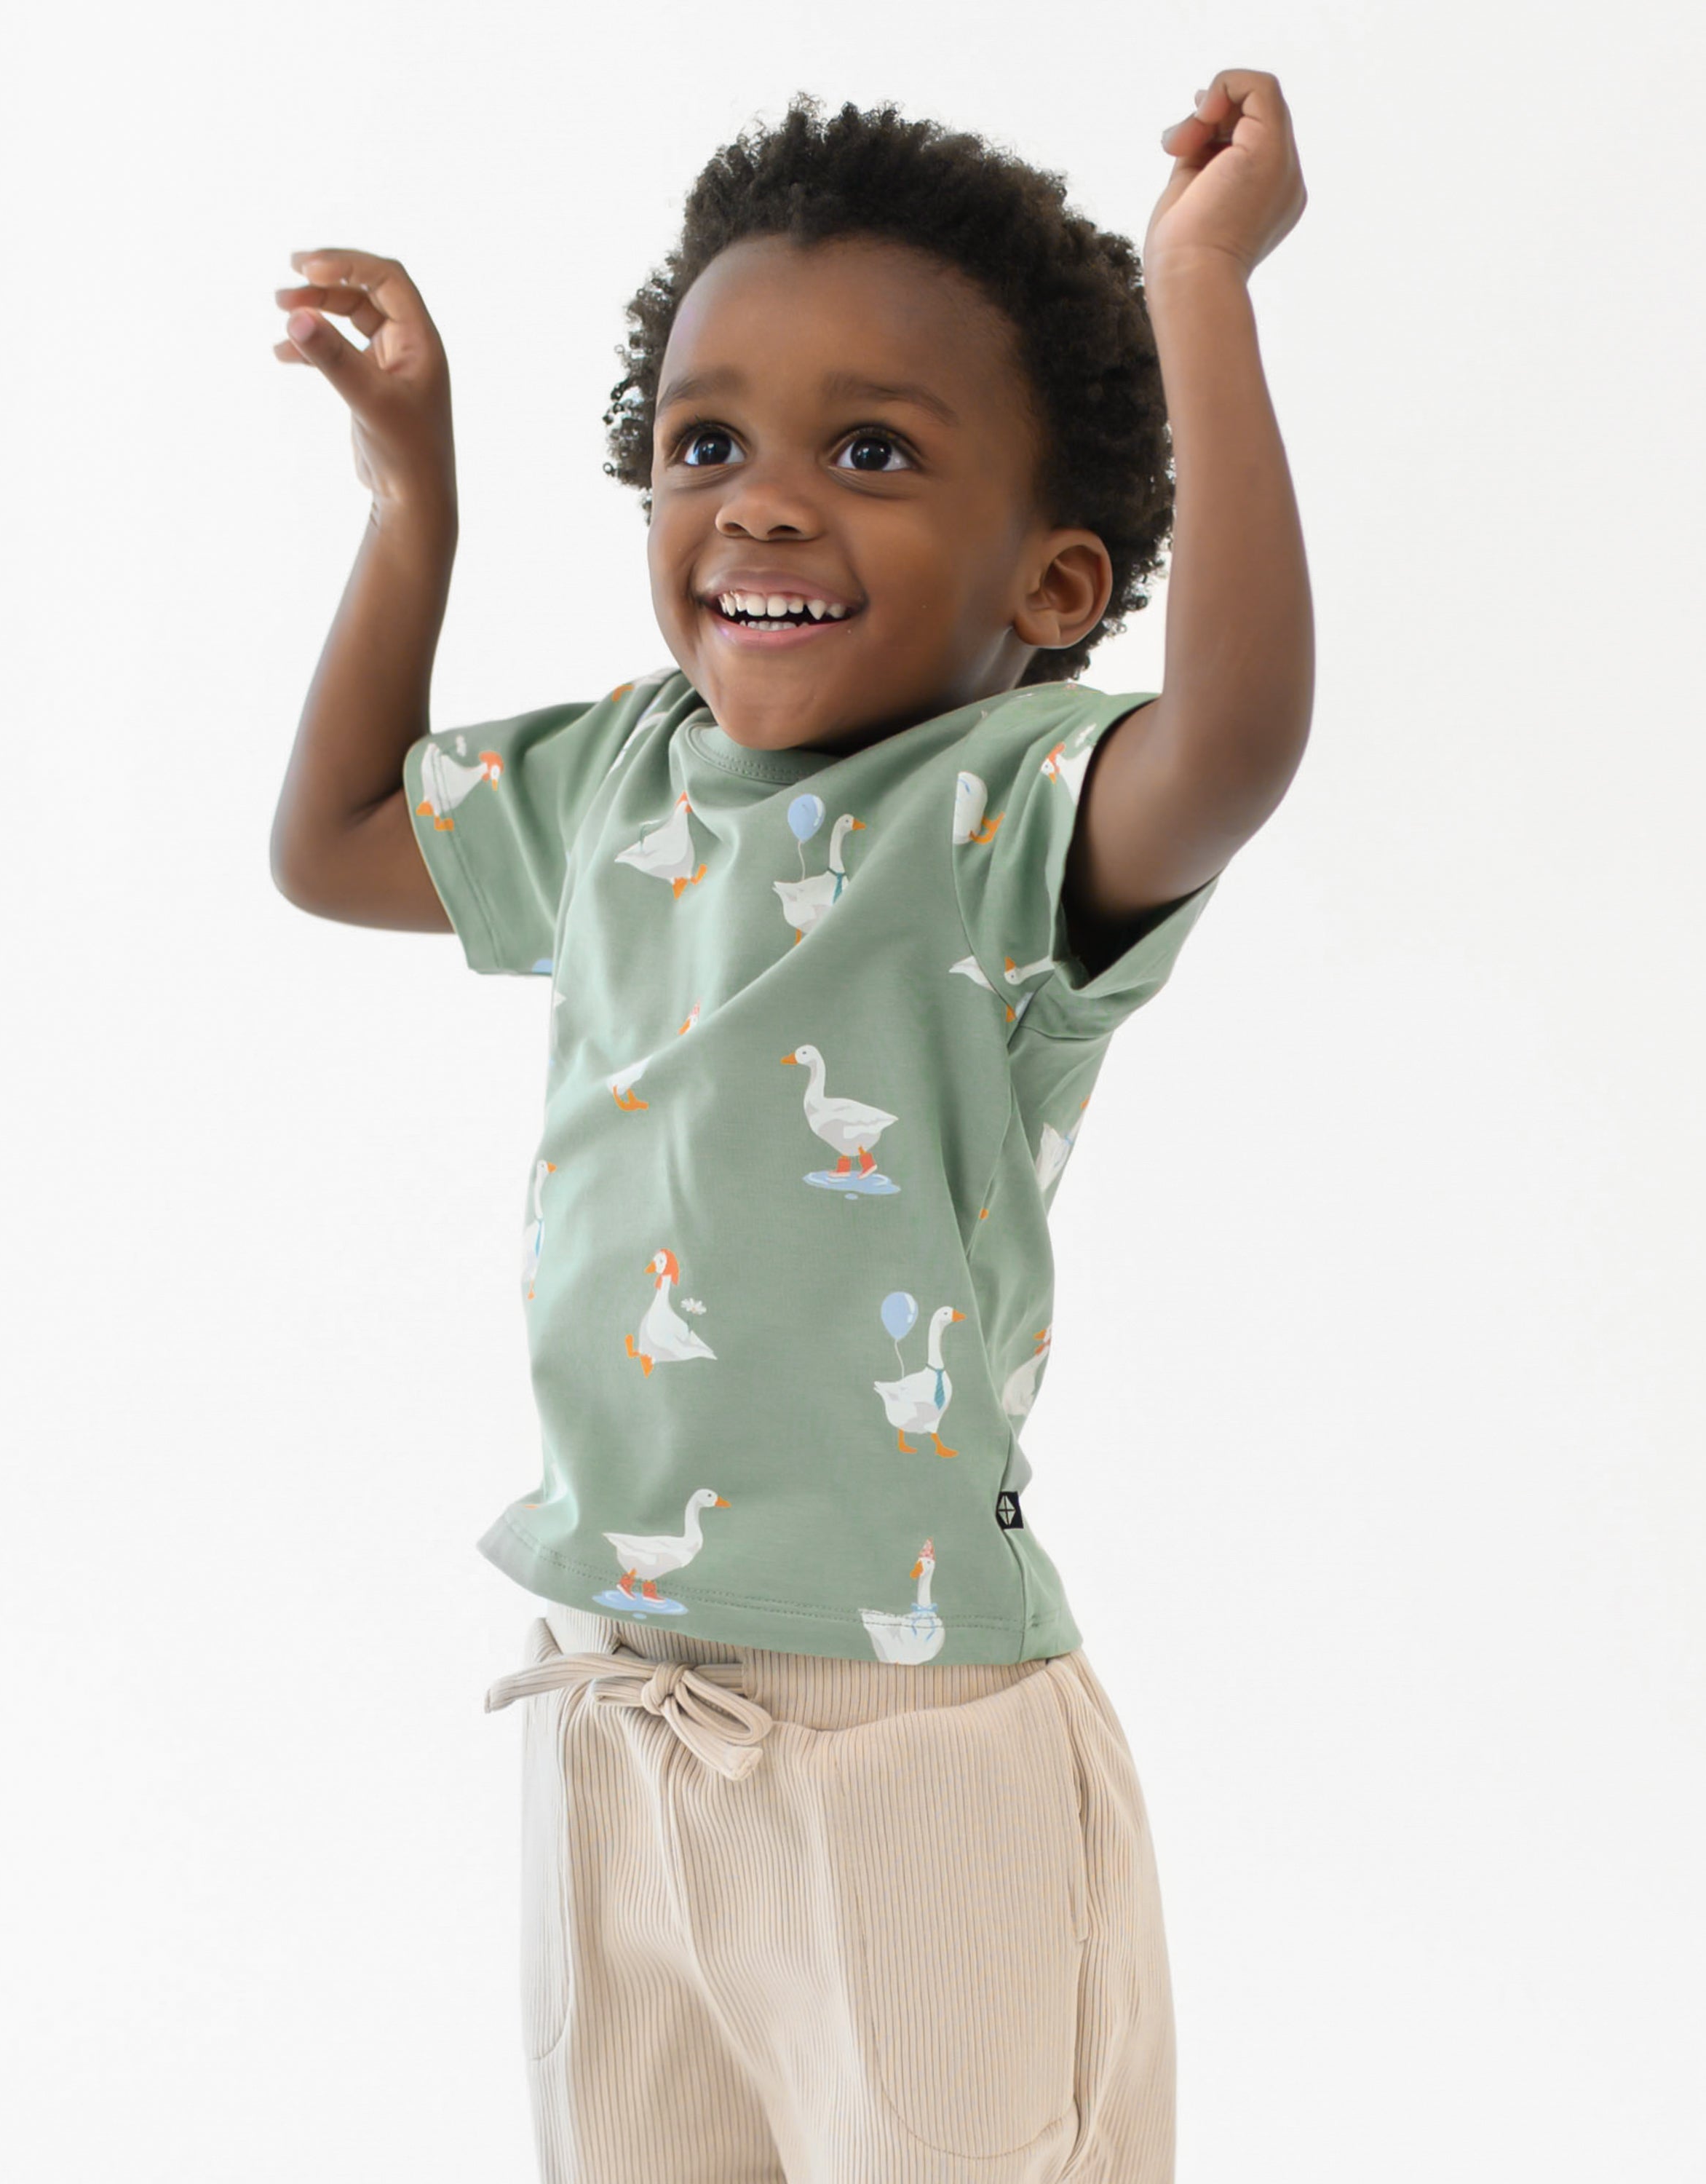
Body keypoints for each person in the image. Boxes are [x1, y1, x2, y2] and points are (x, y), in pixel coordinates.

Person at [267, 74, 1309, 2184]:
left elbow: (1237, 738)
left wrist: (1202, 281)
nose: (753, 503)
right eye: (703, 444)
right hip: (616, 1686)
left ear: (1055, 577)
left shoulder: (1015, 811)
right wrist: (414, 515)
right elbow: (335, 843)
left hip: (903, 1733)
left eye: (870, 453)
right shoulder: (624, 777)